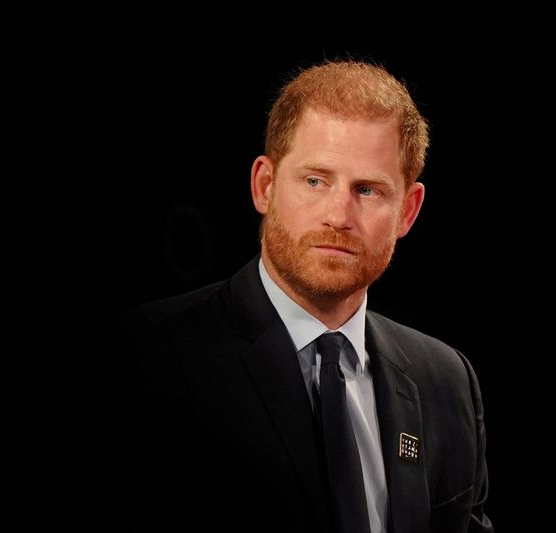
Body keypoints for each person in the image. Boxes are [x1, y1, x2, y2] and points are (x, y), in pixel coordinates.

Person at [119, 60, 493, 533]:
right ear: (265, 186)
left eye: (368, 190)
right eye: (316, 180)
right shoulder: (149, 358)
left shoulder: (447, 381)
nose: (338, 214)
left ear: (408, 210)